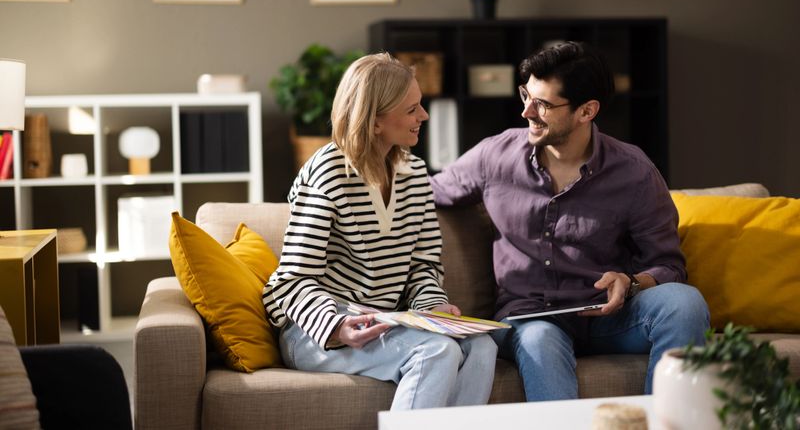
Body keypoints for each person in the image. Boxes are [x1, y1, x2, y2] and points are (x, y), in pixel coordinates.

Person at [429, 41, 709, 401]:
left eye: (543, 104)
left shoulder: (634, 172)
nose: (527, 111)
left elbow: (668, 264)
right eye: (526, 95)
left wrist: (632, 282)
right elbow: (425, 191)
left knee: (684, 303)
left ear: (586, 110)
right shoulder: (494, 156)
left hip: (610, 317)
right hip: (530, 319)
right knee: (540, 338)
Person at [262, 52, 497, 410]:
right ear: (374, 122)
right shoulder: (327, 171)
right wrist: (337, 326)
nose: (424, 116)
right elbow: (292, 281)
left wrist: (433, 309)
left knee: (482, 345)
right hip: (316, 333)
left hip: (388, 322)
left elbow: (423, 267)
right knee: (435, 351)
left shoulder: (416, 174)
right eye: (412, 109)